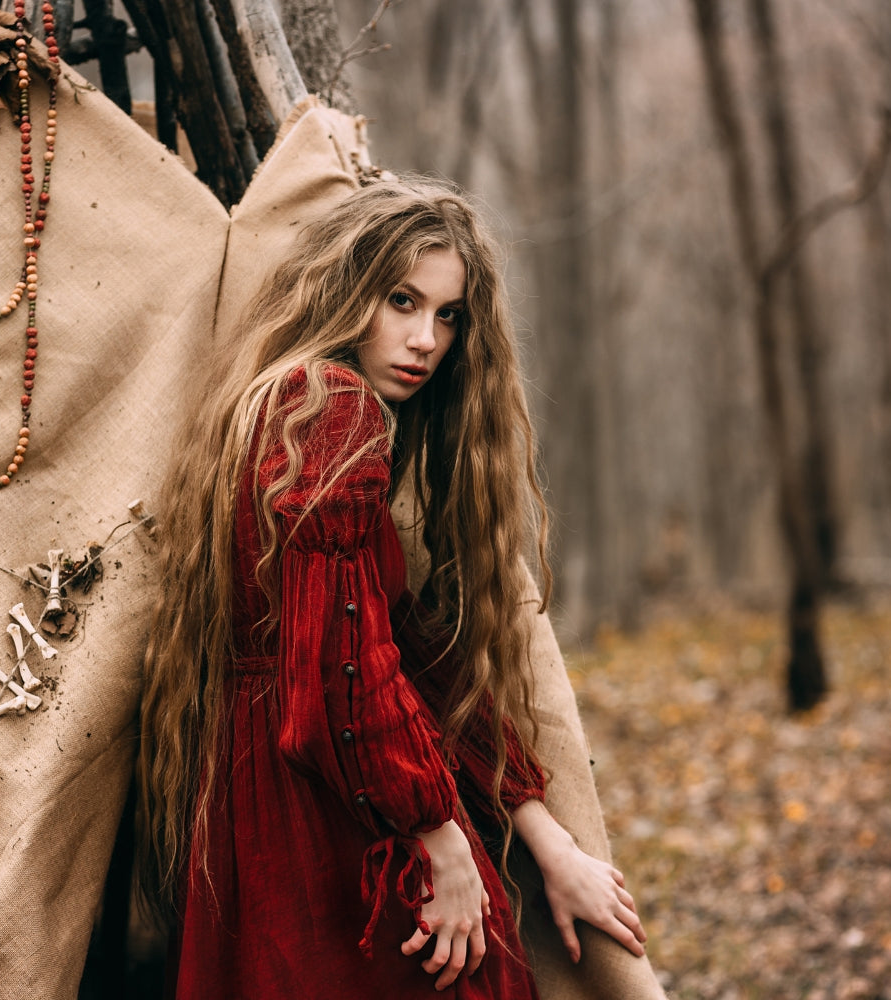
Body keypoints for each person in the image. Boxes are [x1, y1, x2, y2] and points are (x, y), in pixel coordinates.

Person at [137, 179, 646, 997]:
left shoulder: (274, 404)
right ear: (345, 289)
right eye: (401, 300)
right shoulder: (335, 410)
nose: (426, 340)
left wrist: (548, 841)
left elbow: (399, 651)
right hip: (330, 831)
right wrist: (438, 837)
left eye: (448, 315)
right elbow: (333, 685)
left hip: (263, 816)